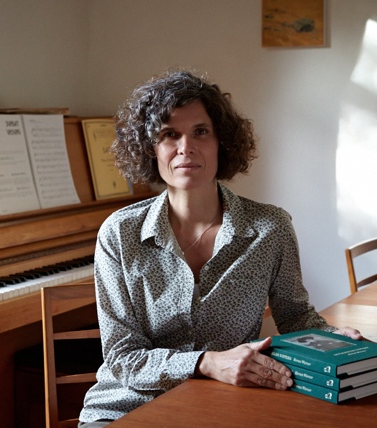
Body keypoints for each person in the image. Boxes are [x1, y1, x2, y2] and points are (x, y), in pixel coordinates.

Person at [78, 69, 361, 426]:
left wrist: (333, 339)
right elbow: (123, 357)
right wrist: (207, 362)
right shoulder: (119, 233)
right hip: (127, 407)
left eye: (200, 132)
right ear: (151, 148)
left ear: (221, 142)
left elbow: (295, 317)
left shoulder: (270, 229)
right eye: (169, 134)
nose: (186, 147)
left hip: (223, 407)